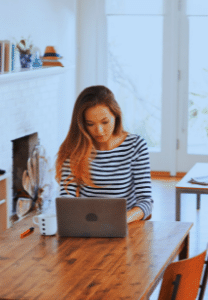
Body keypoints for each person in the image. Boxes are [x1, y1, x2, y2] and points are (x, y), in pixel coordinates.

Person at [55, 85, 153, 223]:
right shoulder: (75, 149)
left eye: (105, 122)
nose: (99, 131)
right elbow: (67, 198)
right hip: (87, 225)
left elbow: (146, 202)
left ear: (116, 116)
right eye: (90, 124)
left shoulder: (135, 146)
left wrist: (120, 220)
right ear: (82, 124)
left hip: (125, 226)